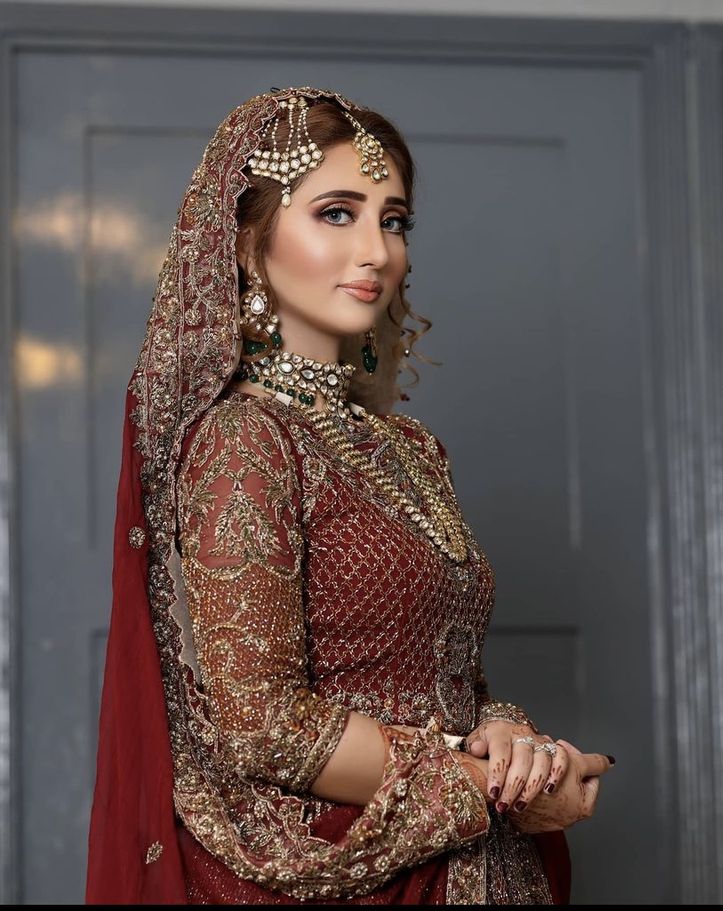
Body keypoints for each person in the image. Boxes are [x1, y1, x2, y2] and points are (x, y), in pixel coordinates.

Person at [85, 86, 614, 905]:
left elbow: (446, 677)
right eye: (337, 213)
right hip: (341, 871)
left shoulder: (407, 448)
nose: (376, 250)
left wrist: (508, 734)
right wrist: (486, 784)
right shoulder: (245, 441)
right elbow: (260, 725)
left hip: (471, 867)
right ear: (250, 241)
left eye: (393, 220)